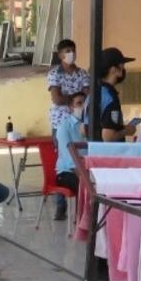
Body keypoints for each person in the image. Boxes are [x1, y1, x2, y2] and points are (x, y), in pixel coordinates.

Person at [89, 46, 140, 142]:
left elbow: (83, 129)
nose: (124, 68)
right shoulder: (110, 97)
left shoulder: (93, 92)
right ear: (113, 69)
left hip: (92, 151)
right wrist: (126, 131)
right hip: (107, 154)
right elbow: (108, 137)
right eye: (121, 65)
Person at [52, 90, 86, 220]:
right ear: (71, 107)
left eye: (85, 103)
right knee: (85, 185)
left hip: (86, 169)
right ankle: (83, 220)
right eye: (79, 103)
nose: (82, 107)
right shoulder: (64, 127)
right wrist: (86, 177)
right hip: (67, 172)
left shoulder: (90, 125)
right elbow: (69, 158)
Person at [46, 38, 91, 133]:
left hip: (80, 122)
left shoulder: (83, 73)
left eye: (73, 50)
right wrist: (77, 99)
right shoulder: (54, 74)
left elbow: (86, 96)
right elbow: (57, 99)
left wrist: (67, 98)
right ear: (60, 55)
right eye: (68, 51)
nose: (72, 53)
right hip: (60, 122)